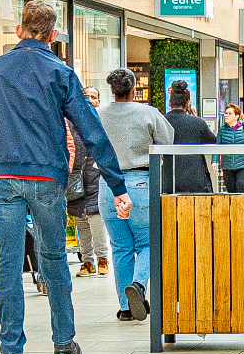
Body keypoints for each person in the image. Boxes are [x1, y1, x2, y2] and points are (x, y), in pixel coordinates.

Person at [0, 0, 132, 354]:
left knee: (8, 264)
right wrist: (116, 185)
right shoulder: (60, 72)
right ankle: (64, 345)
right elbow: (92, 131)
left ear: (19, 30)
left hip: (1, 179)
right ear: (53, 35)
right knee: (53, 260)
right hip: (48, 180)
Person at [97, 67, 171, 322]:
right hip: (141, 183)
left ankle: (125, 307)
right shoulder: (148, 112)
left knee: (120, 247)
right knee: (148, 242)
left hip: (108, 185)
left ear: (112, 89)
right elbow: (168, 139)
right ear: (134, 88)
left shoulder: (99, 114)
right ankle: (139, 285)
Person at [69, 86, 111, 277]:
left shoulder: (102, 120)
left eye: (94, 97)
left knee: (95, 216)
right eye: (86, 96)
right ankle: (87, 261)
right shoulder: (72, 121)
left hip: (96, 173)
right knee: (81, 219)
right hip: (76, 175)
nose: (90, 100)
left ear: (99, 101)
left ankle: (103, 258)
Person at [163, 81, 215, 194]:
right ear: (188, 103)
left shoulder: (162, 121)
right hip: (196, 180)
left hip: (169, 180)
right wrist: (196, 118)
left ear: (170, 102)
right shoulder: (197, 122)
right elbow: (212, 140)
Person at [217, 102, 244, 195]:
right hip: (227, 165)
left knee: (241, 187)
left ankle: (243, 209)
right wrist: (214, 161)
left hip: (243, 164)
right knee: (231, 190)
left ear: (236, 116)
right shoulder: (222, 129)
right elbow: (218, 145)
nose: (226, 115)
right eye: (225, 113)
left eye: (229, 113)